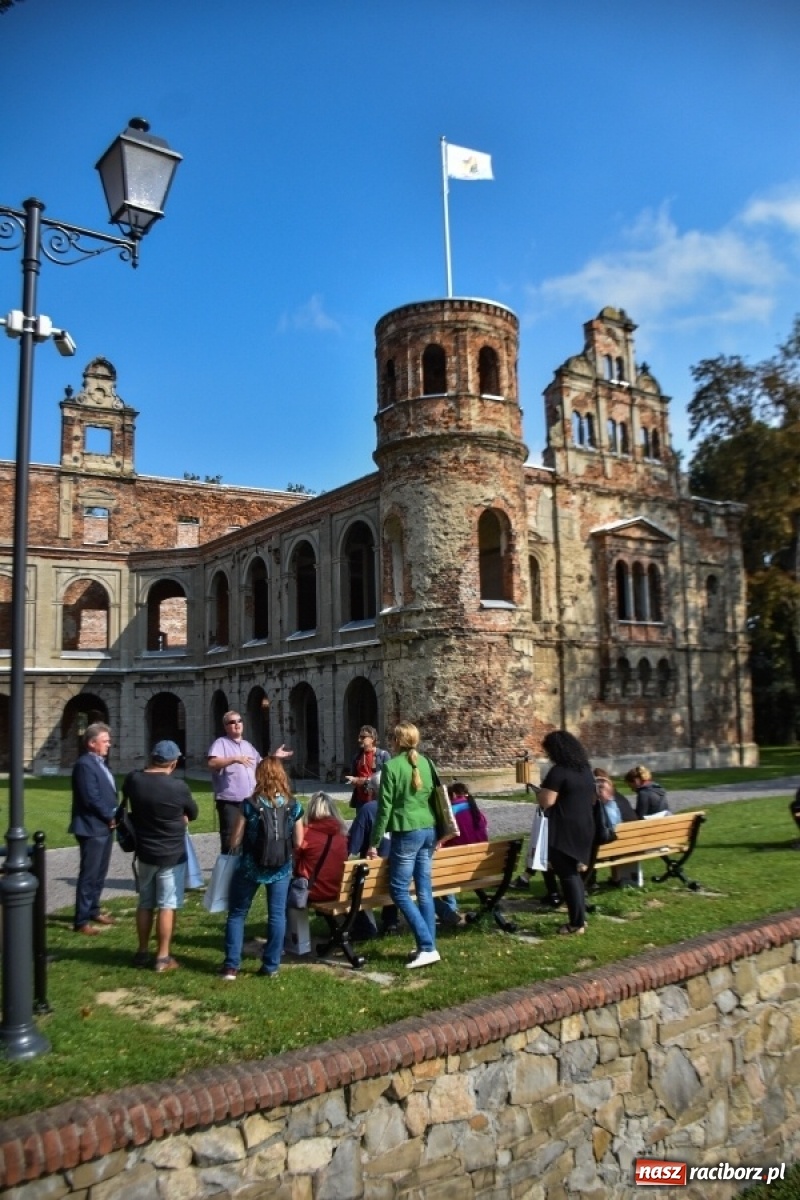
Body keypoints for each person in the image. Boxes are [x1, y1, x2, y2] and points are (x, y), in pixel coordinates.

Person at [220, 755, 303, 980]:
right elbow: (298, 841)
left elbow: (234, 841)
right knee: (277, 915)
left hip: (250, 866)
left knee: (237, 914)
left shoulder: (250, 803)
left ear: (260, 775)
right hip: (280, 867)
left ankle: (231, 966)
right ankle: (271, 965)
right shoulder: (293, 804)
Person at [368, 721, 439, 969]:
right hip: (428, 829)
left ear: (397, 741)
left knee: (398, 890)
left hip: (407, 831)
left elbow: (384, 808)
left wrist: (374, 842)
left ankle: (427, 947)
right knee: (424, 891)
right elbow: (436, 797)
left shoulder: (391, 766)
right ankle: (428, 945)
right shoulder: (427, 763)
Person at [123, 741, 199, 970]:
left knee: (145, 903)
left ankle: (142, 951)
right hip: (171, 852)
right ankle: (163, 957)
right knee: (168, 904)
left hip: (145, 850)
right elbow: (192, 812)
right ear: (173, 763)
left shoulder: (134, 780)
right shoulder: (178, 787)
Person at [537, 730, 596, 936]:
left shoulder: (559, 771)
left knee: (567, 875)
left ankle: (576, 923)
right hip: (584, 825)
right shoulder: (585, 770)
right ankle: (579, 918)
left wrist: (539, 791)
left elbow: (547, 801)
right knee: (573, 875)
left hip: (563, 828)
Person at [207, 712, 293, 853]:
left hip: (251, 801)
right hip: (231, 802)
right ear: (225, 726)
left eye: (239, 721)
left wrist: (274, 757)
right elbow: (212, 763)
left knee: (252, 838)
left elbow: (261, 764)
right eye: (232, 722)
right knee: (231, 841)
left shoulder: (247, 745)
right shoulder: (221, 743)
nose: (237, 724)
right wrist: (234, 759)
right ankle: (229, 871)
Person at [69, 722, 119, 936]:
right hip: (92, 826)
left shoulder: (100, 763)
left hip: (103, 826)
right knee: (89, 874)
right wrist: (109, 816)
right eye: (105, 741)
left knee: (100, 872)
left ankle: (93, 909)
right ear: (92, 743)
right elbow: (90, 797)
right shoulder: (85, 764)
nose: (109, 744)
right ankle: (81, 920)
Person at [347, 776, 399, 938]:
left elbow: (352, 846)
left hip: (372, 877)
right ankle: (391, 921)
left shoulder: (368, 809)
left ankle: (366, 925)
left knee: (352, 881)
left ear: (373, 790)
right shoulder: (402, 807)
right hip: (400, 874)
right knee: (392, 867)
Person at [434, 782, 488, 927]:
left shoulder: (451, 813)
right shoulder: (477, 811)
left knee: (440, 865)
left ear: (452, 795)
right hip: (481, 864)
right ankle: (485, 900)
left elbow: (443, 838)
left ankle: (450, 909)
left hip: (457, 866)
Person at [293, 792, 349, 901]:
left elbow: (294, 858)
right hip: (337, 890)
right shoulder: (342, 834)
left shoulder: (305, 833)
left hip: (313, 891)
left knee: (290, 899)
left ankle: (300, 918)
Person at [345, 725, 390, 809]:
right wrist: (352, 780)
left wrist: (361, 781)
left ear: (372, 738)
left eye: (363, 737)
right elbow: (354, 777)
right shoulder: (357, 757)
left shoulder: (383, 756)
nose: (359, 740)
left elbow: (387, 779)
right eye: (359, 737)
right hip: (360, 801)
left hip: (377, 801)